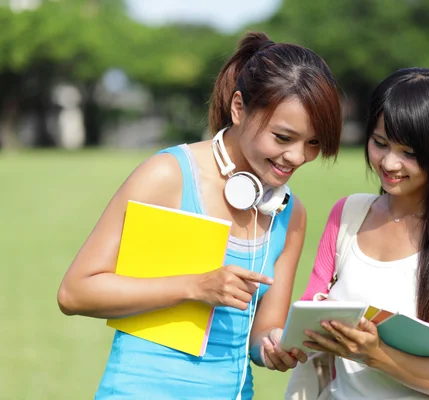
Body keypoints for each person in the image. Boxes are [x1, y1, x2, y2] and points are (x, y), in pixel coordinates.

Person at [57, 31, 342, 400]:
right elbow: (75, 292)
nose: (298, 157)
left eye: (313, 143)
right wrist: (196, 286)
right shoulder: (167, 176)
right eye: (283, 137)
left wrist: (275, 346)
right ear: (239, 108)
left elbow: (262, 333)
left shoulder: (290, 212)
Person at [299, 67, 429, 400]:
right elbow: (307, 317)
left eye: (410, 153)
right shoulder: (346, 214)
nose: (389, 163)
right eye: (380, 143)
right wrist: (282, 341)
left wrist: (375, 355)